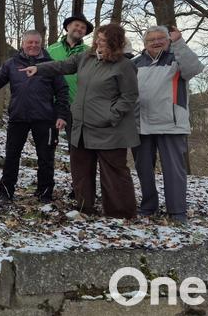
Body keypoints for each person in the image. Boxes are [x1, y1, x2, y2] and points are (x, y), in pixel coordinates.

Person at [22, 24, 139, 219]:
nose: (98, 43)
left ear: (114, 42)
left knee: (114, 173)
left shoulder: (124, 65)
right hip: (82, 125)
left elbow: (129, 96)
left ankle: (121, 213)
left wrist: (111, 115)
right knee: (81, 170)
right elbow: (62, 65)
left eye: (103, 40)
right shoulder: (87, 57)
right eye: (97, 39)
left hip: (109, 129)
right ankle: (85, 207)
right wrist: (38, 68)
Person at [132, 25, 204, 224]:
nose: (156, 42)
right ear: (145, 44)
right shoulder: (135, 63)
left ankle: (177, 211)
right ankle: (148, 206)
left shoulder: (177, 60)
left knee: (174, 171)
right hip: (141, 126)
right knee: (143, 169)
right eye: (151, 39)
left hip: (170, 125)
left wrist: (179, 43)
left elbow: (195, 68)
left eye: (160, 38)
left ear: (168, 40)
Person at [0, 30, 70, 205]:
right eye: (29, 43)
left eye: (36, 42)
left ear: (41, 44)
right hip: (18, 117)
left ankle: (45, 194)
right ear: (23, 44)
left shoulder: (51, 64)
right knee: (11, 156)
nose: (33, 45)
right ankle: (5, 193)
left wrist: (62, 115)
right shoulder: (11, 63)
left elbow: (63, 91)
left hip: (45, 119)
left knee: (46, 158)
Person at [47, 14, 94, 146]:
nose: (79, 29)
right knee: (48, 145)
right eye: (76, 25)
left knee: (77, 146)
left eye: (83, 27)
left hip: (78, 107)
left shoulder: (90, 53)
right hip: (54, 105)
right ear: (68, 27)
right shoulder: (51, 50)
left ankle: (77, 167)